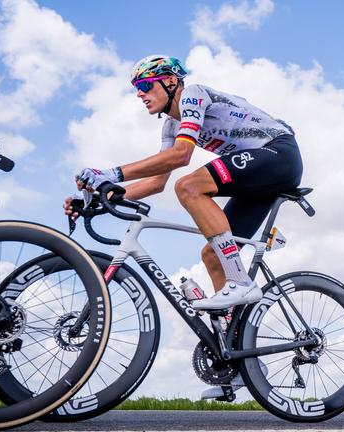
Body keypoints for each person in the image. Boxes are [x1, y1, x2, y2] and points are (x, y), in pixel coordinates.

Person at [64, 55, 300, 397]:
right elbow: (157, 181)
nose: (140, 95)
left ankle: (239, 281)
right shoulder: (170, 127)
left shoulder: (193, 96)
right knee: (212, 255)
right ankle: (241, 365)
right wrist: (100, 199)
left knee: (190, 186)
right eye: (136, 90)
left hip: (278, 154)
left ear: (171, 82)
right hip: (258, 174)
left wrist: (111, 173)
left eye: (145, 86)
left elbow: (180, 158)